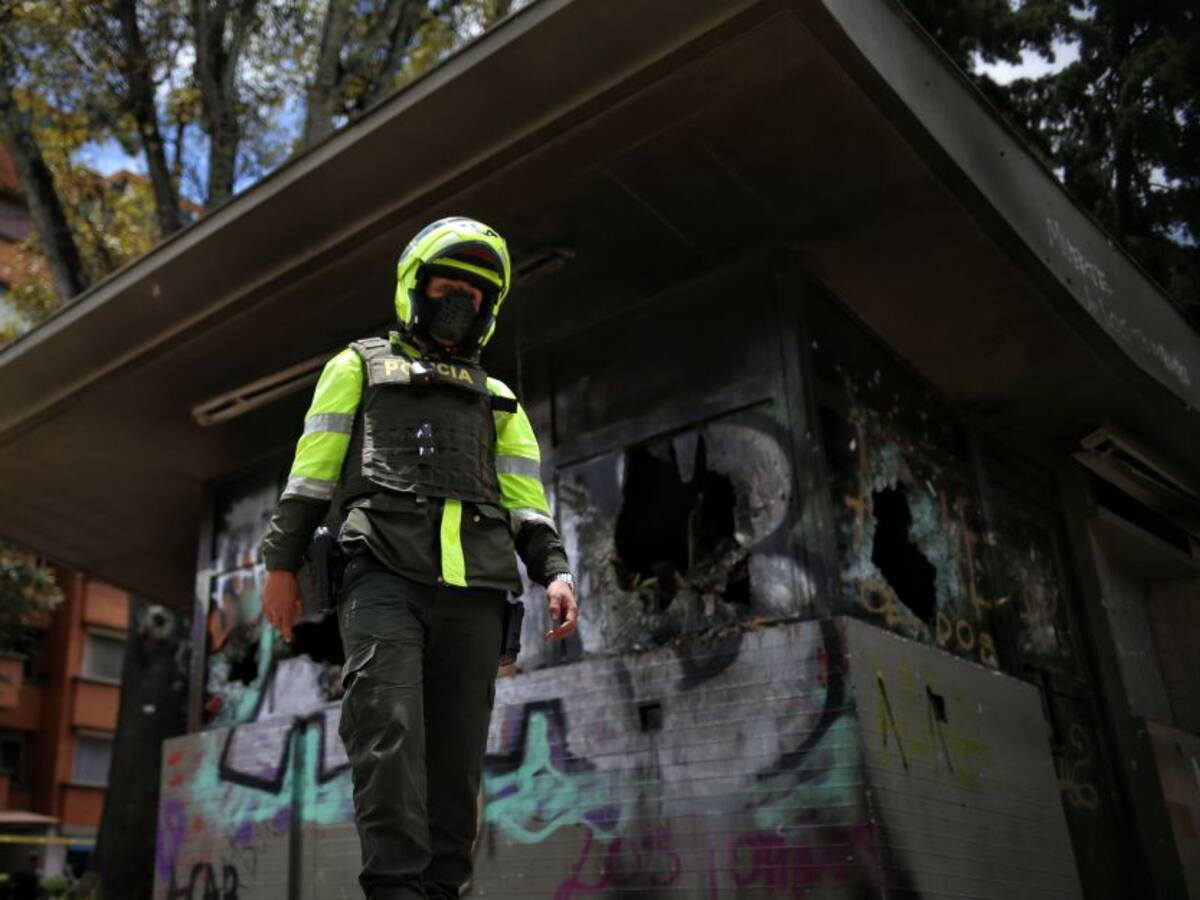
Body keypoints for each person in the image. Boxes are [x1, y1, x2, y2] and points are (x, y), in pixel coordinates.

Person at [261, 216, 576, 900]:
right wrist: (280, 566)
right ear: (415, 288)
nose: (460, 299)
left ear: (490, 309)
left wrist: (555, 570)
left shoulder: (500, 403)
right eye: (446, 283)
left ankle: (445, 890)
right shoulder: (358, 367)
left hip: (477, 592)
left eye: (475, 290)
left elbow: (528, 502)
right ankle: (396, 889)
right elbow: (310, 478)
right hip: (382, 577)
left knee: (457, 760)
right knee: (388, 731)